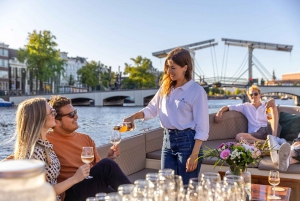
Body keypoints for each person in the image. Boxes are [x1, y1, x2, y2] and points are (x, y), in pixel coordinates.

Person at [123, 47, 209, 185]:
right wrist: (133, 117)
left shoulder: (197, 91)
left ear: (185, 68)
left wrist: (194, 155)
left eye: (173, 68)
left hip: (188, 144)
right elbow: (152, 109)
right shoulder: (165, 87)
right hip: (167, 142)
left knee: (187, 190)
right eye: (168, 67)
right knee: (167, 188)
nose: (169, 72)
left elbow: (202, 127)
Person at [47, 95, 131, 201]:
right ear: (57, 121)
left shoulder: (85, 138)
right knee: (107, 165)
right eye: (71, 115)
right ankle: (141, 197)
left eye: (75, 112)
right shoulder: (47, 142)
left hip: (89, 185)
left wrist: (109, 158)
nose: (76, 117)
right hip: (70, 192)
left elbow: (97, 168)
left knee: (119, 195)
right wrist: (107, 162)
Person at [12, 97, 90, 201]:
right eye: (51, 112)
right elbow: (42, 193)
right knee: (107, 167)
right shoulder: (34, 152)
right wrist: (75, 178)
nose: (55, 114)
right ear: (40, 118)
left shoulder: (45, 144)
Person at [215, 85, 279, 144]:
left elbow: (272, 115)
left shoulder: (266, 105)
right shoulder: (245, 106)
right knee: (239, 136)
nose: (253, 96)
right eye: (251, 95)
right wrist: (220, 111)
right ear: (249, 97)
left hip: (268, 129)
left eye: (256, 94)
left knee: (272, 105)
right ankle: (267, 143)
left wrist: (272, 100)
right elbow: (229, 107)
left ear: (260, 95)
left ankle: (274, 139)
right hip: (255, 134)